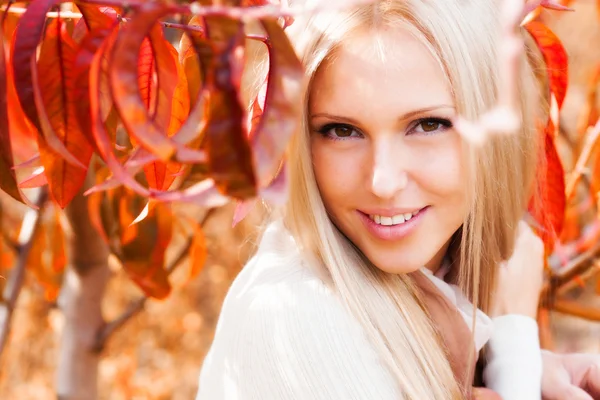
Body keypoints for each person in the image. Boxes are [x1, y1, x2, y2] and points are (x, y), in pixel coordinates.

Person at [195, 0, 600, 399]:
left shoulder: (435, 282)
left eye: (428, 125)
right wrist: (514, 343)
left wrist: (510, 362)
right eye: (341, 131)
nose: (383, 181)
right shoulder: (295, 316)